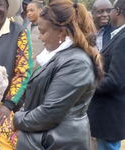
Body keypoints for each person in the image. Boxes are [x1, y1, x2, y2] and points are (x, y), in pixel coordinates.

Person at [13, 0, 104, 149]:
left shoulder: (76, 63)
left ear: (61, 32)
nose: (40, 38)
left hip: (60, 142)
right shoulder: (60, 57)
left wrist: (17, 118)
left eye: (43, 32)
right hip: (48, 139)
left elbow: (49, 113)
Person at [88, 0, 125, 149]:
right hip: (106, 114)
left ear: (117, 11)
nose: (106, 14)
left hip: (109, 115)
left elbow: (115, 80)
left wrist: (86, 87)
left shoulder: (123, 40)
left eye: (109, 10)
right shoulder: (119, 35)